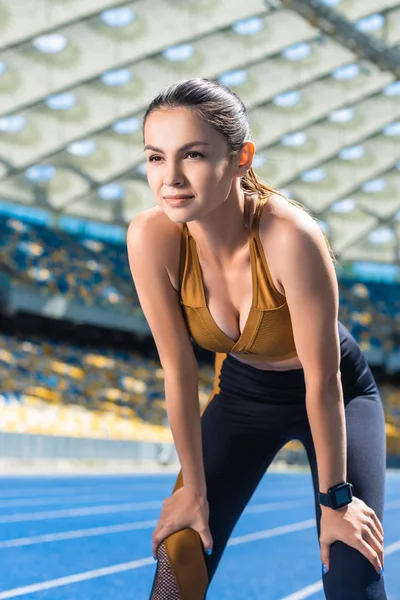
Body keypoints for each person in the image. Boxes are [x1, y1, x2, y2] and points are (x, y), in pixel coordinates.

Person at [127, 78, 387, 600]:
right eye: (156, 158)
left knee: (351, 566)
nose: (170, 178)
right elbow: (178, 370)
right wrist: (193, 491)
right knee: (178, 553)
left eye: (193, 155)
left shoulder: (291, 236)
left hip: (336, 393)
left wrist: (336, 502)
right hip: (242, 395)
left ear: (241, 157)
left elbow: (324, 381)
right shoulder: (151, 237)